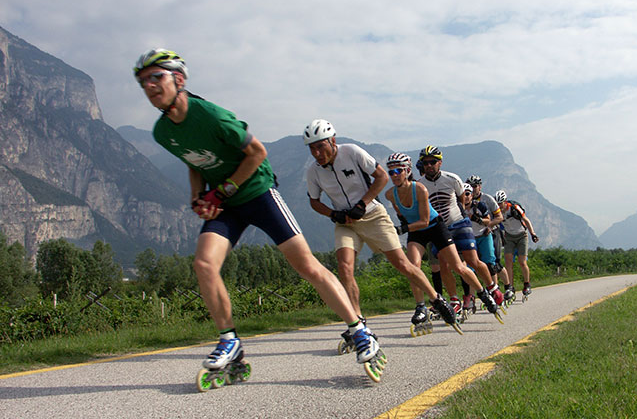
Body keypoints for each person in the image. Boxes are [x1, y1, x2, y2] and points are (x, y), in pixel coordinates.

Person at [134, 49, 385, 383]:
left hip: (257, 193)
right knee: (204, 264)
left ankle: (358, 330)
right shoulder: (162, 133)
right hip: (225, 203)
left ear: (178, 79)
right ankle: (229, 341)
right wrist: (197, 197)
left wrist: (221, 191)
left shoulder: (210, 116)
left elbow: (258, 153)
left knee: (306, 266)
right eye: (143, 81)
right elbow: (193, 163)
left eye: (157, 77)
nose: (149, 85)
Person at [304, 121, 460, 338]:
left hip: (372, 215)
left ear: (333, 141)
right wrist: (332, 213)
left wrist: (362, 203)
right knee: (344, 267)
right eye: (312, 148)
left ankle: (437, 299)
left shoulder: (352, 152)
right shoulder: (313, 171)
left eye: (321, 146)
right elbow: (314, 201)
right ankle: (357, 323)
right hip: (345, 222)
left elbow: (381, 177)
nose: (317, 153)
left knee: (403, 265)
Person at [384, 153, 500, 325]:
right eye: (391, 172)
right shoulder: (390, 194)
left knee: (459, 267)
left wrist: (402, 228)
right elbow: (403, 216)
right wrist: (401, 226)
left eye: (398, 170)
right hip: (417, 231)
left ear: (407, 170)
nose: (394, 175)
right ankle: (421, 307)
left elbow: (424, 220)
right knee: (411, 267)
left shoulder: (420, 189)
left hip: (435, 226)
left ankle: (483, 293)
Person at [417, 146, 504, 321]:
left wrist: (461, 218)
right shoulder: (420, 185)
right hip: (440, 227)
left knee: (472, 260)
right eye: (425, 163)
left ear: (440, 162)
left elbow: (461, 200)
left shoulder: (452, 179)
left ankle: (492, 288)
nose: (429, 165)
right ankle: (454, 299)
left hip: (459, 223)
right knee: (443, 264)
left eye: (433, 162)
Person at [466, 175, 514, 304]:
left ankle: (504, 288)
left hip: (492, 232)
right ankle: (472, 297)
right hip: (473, 235)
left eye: (474, 186)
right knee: (472, 266)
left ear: (480, 186)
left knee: (494, 264)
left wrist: (489, 226)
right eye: (470, 186)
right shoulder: (464, 200)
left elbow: (499, 218)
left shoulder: (488, 199)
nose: (472, 188)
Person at [495, 190, 539, 299]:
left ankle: (526, 284)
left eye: (501, 203)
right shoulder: (497, 212)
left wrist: (532, 234)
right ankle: (510, 288)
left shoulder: (514, 208)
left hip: (521, 235)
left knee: (522, 262)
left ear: (505, 202)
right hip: (509, 236)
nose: (499, 206)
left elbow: (526, 220)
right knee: (508, 262)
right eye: (497, 204)